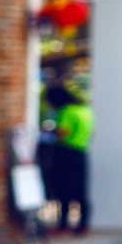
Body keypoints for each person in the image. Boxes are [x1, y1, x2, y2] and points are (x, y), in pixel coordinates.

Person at [45, 85, 93, 234]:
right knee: (80, 189)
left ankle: (63, 224)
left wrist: (50, 131)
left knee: (63, 188)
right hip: (81, 152)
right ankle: (83, 224)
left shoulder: (66, 111)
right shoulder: (86, 111)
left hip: (65, 153)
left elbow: (63, 132)